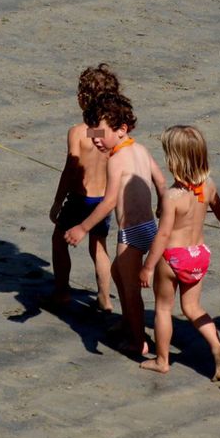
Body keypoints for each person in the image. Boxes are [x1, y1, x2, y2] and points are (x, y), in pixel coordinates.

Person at [64, 92, 166, 356]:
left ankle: (138, 339)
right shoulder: (141, 149)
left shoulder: (116, 160)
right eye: (92, 133)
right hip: (150, 228)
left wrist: (82, 228)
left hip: (130, 233)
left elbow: (109, 203)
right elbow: (161, 182)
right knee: (119, 274)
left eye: (101, 133)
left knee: (130, 292)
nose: (95, 139)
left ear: (121, 130)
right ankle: (127, 323)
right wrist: (163, 205)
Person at [138, 125, 220, 378]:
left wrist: (148, 266)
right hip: (198, 254)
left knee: (163, 308)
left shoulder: (172, 196)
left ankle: (162, 360)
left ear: (174, 161)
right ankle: (216, 345)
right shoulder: (209, 185)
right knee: (192, 307)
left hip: (173, 257)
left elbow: (162, 235)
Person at [47, 64, 120, 311]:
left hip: (81, 198)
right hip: (104, 199)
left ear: (82, 99)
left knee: (59, 240)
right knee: (99, 246)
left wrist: (58, 201)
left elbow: (71, 168)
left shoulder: (78, 132)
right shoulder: (113, 133)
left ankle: (61, 292)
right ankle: (105, 297)